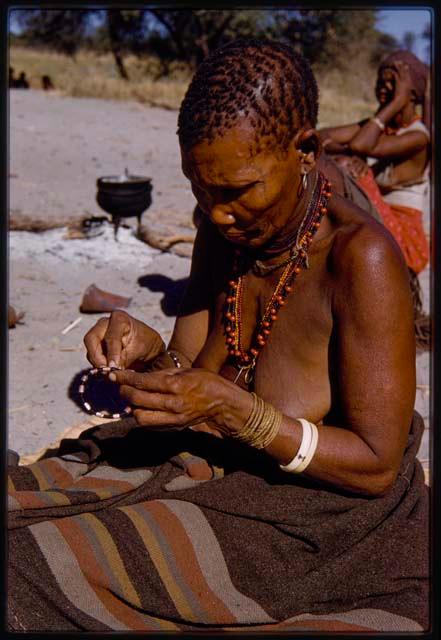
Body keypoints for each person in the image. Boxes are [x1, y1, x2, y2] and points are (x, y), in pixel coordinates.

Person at [8, 39, 428, 632]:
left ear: (304, 150)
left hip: (320, 517)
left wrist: (245, 418)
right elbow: (192, 368)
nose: (217, 213)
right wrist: (149, 352)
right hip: (210, 465)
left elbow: (377, 465)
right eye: (200, 190)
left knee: (30, 568)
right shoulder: (226, 231)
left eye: (237, 191)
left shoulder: (361, 260)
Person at [318, 50, 430, 277]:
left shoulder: (418, 137)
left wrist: (397, 102)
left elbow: (361, 146)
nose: (382, 86)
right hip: (378, 215)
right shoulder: (377, 129)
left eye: (392, 83)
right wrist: (350, 147)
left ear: (412, 94)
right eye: (380, 80)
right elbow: (320, 137)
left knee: (345, 165)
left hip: (404, 234)